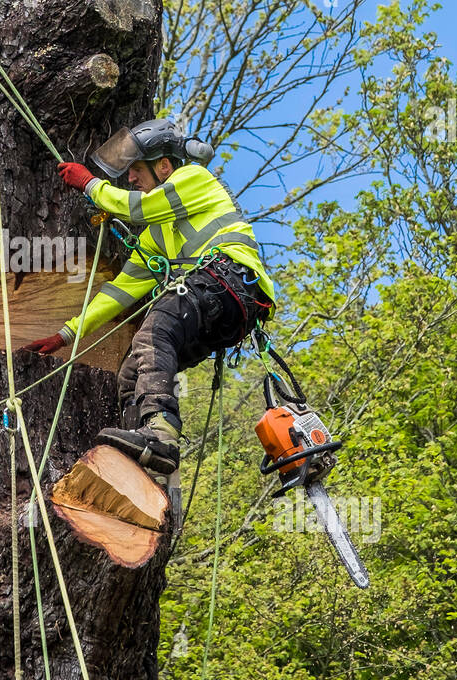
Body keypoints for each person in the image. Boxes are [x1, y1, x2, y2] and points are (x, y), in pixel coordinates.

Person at [22, 119, 275, 474]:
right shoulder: (157, 236)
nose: (130, 179)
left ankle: (161, 432)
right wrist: (69, 332)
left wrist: (91, 185)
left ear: (164, 166)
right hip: (222, 305)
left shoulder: (194, 179)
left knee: (155, 333)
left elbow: (137, 207)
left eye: (136, 170)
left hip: (229, 282)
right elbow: (122, 289)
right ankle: (141, 451)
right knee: (132, 368)